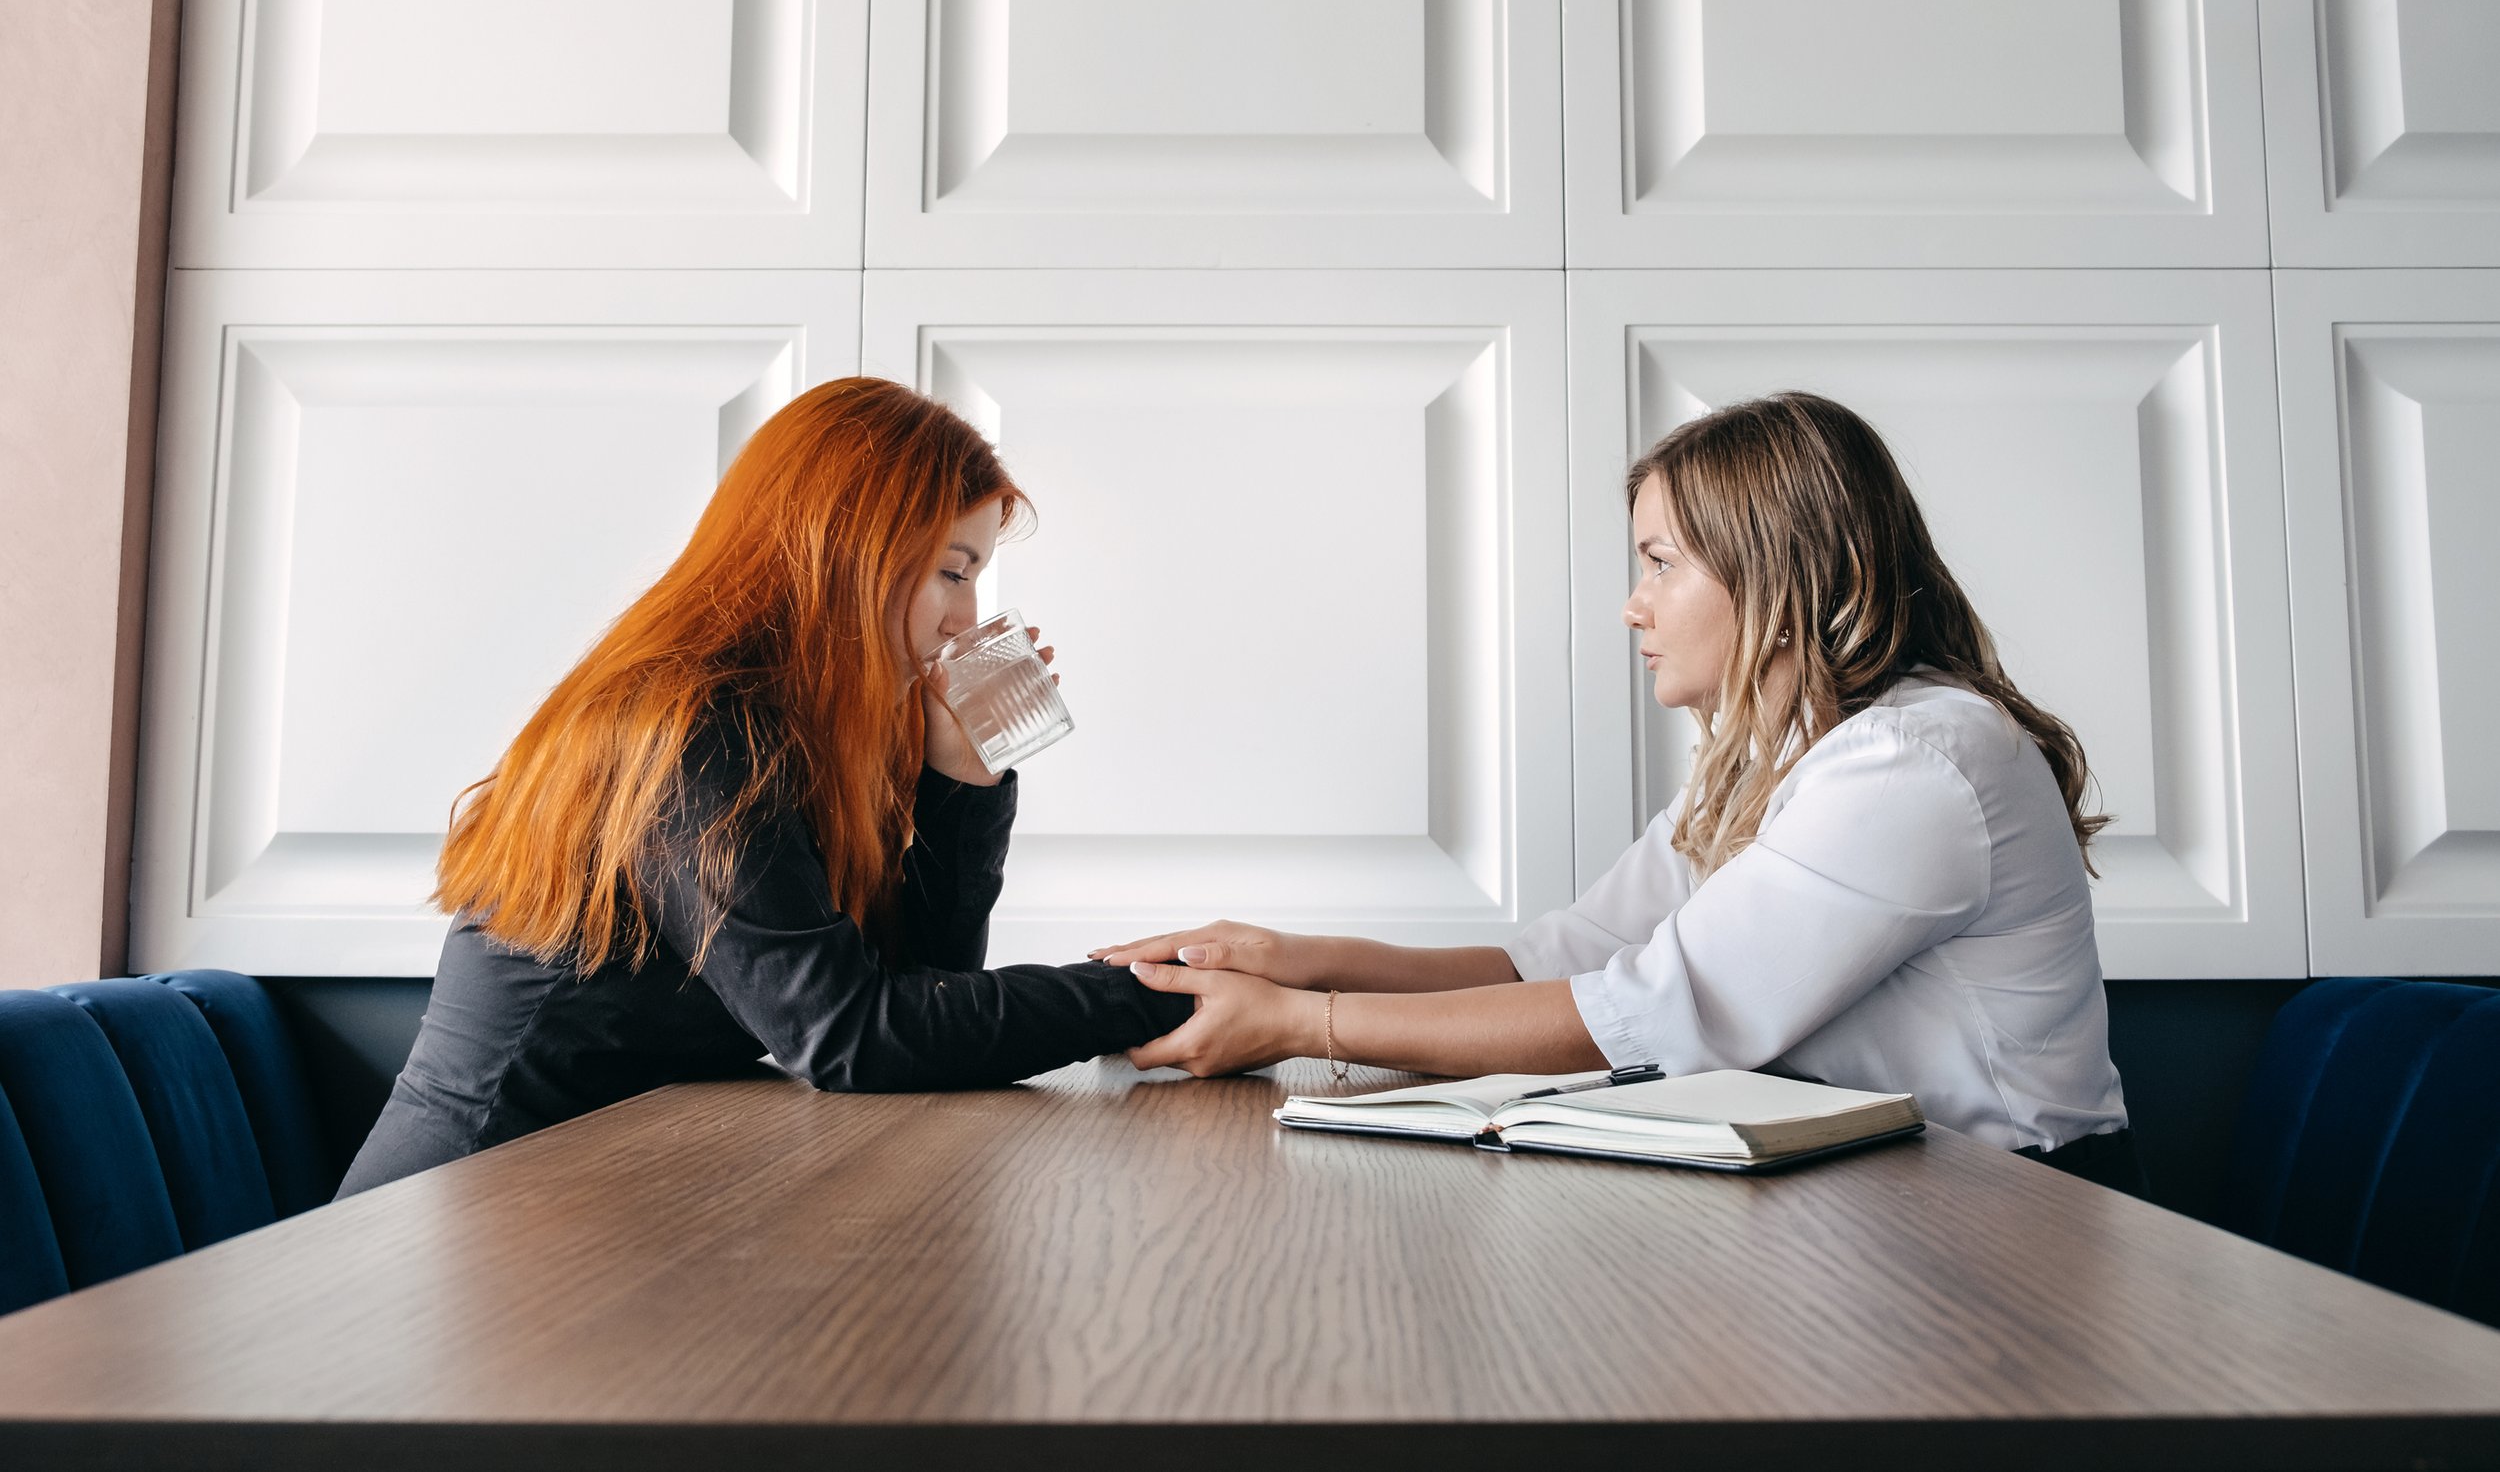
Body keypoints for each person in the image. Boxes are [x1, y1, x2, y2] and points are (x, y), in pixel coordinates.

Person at [1096, 392, 2143, 1193]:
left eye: (1661, 563)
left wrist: (1304, 1023)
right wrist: (1293, 956)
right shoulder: (1780, 757)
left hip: (2005, 1204)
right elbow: (1568, 956)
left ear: (1776, 574)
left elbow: (1646, 1014)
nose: (1633, 607)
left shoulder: (1913, 763)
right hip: (1870, 1187)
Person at [338, 379, 1187, 1196]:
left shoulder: (793, 733)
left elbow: (917, 997)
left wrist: (959, 777)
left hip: (588, 1203)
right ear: (848, 552)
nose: (966, 620)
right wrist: (1152, 995)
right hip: (458, 1218)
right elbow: (850, 1037)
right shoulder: (689, 730)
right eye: (954, 574)